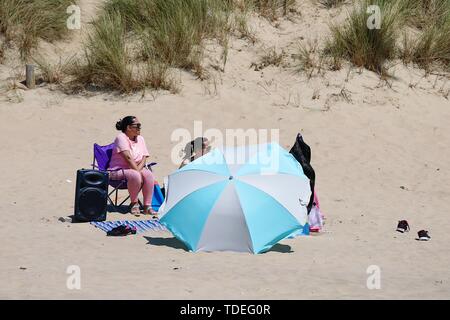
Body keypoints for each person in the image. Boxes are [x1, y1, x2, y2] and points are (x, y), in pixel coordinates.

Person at [109, 116, 156, 216]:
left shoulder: (141, 139)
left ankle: (147, 206)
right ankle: (134, 203)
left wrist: (138, 170)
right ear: (128, 128)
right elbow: (128, 158)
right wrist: (137, 172)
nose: (139, 128)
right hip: (118, 171)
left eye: (140, 126)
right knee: (135, 175)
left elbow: (144, 157)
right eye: (137, 126)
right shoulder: (121, 137)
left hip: (136, 168)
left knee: (148, 175)